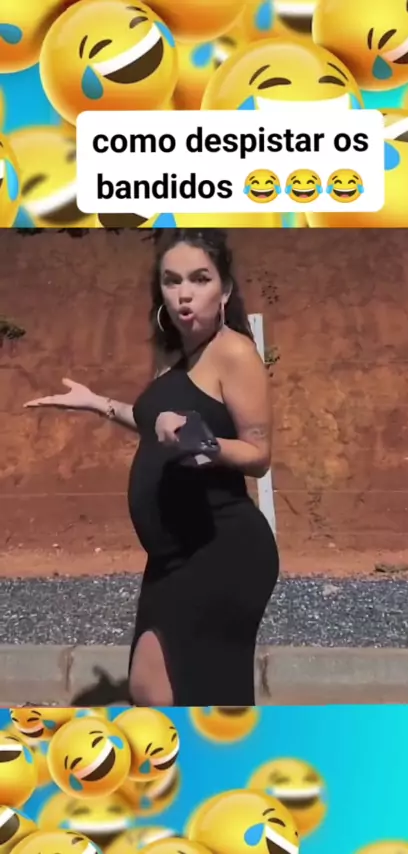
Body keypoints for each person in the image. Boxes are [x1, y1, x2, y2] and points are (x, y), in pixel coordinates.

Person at [24, 228, 279, 706]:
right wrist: (98, 403)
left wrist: (200, 440)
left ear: (224, 289)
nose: (184, 294)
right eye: (171, 280)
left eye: (200, 279)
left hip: (222, 549)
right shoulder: (172, 354)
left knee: (193, 697)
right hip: (169, 557)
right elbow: (152, 421)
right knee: (149, 688)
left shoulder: (233, 352)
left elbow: (258, 455)